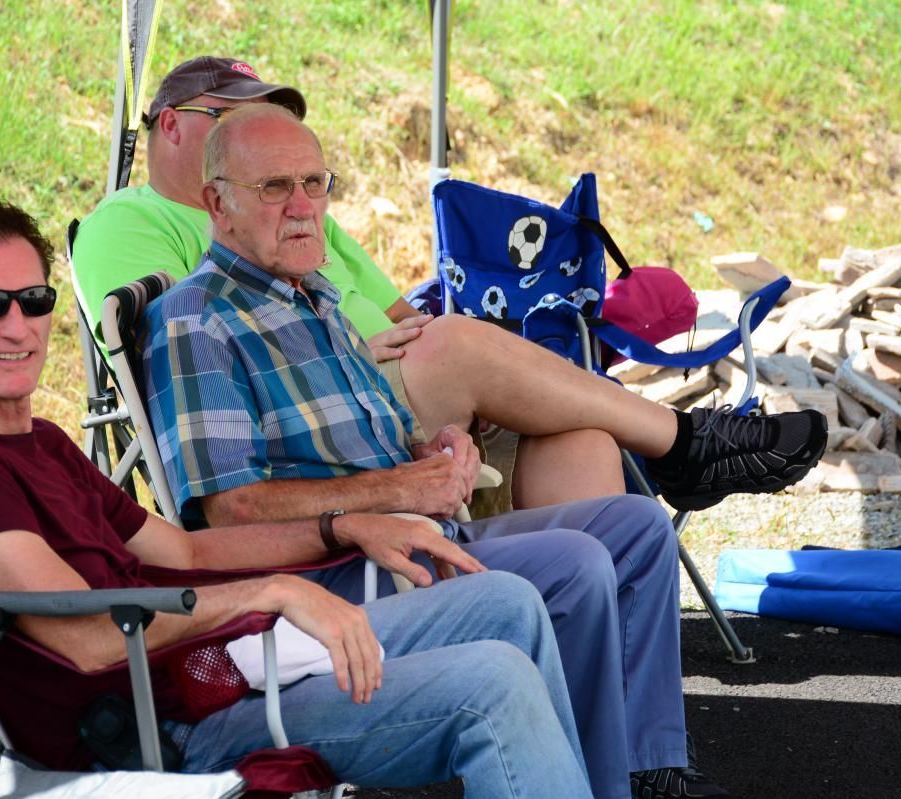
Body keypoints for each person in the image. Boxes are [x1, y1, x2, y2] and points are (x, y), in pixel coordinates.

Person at [0, 199, 595, 799]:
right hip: (158, 729)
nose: (18, 326)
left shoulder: (40, 441)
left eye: (34, 299)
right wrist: (275, 592)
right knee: (493, 684)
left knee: (506, 599)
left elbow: (186, 547)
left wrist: (343, 526)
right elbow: (90, 639)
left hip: (217, 668)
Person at [141, 104, 731, 799]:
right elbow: (227, 511)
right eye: (274, 188)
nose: (303, 206)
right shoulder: (196, 320)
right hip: (342, 569)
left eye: (314, 183)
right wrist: (400, 491)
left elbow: (387, 439)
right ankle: (603, 784)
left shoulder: (317, 297)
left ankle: (645, 762)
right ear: (218, 202)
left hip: (419, 532)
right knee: (576, 564)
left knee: (635, 527)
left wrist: (439, 445)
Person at [73, 55, 827, 516]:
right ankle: (685, 445)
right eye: (242, 117)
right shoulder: (129, 219)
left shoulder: (301, 210)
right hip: (302, 410)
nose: (271, 139)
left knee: (580, 437)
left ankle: (620, 732)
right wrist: (368, 346)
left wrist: (418, 338)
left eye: (279, 123)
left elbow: (407, 311)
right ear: (172, 126)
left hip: (402, 385)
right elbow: (189, 351)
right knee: (459, 342)